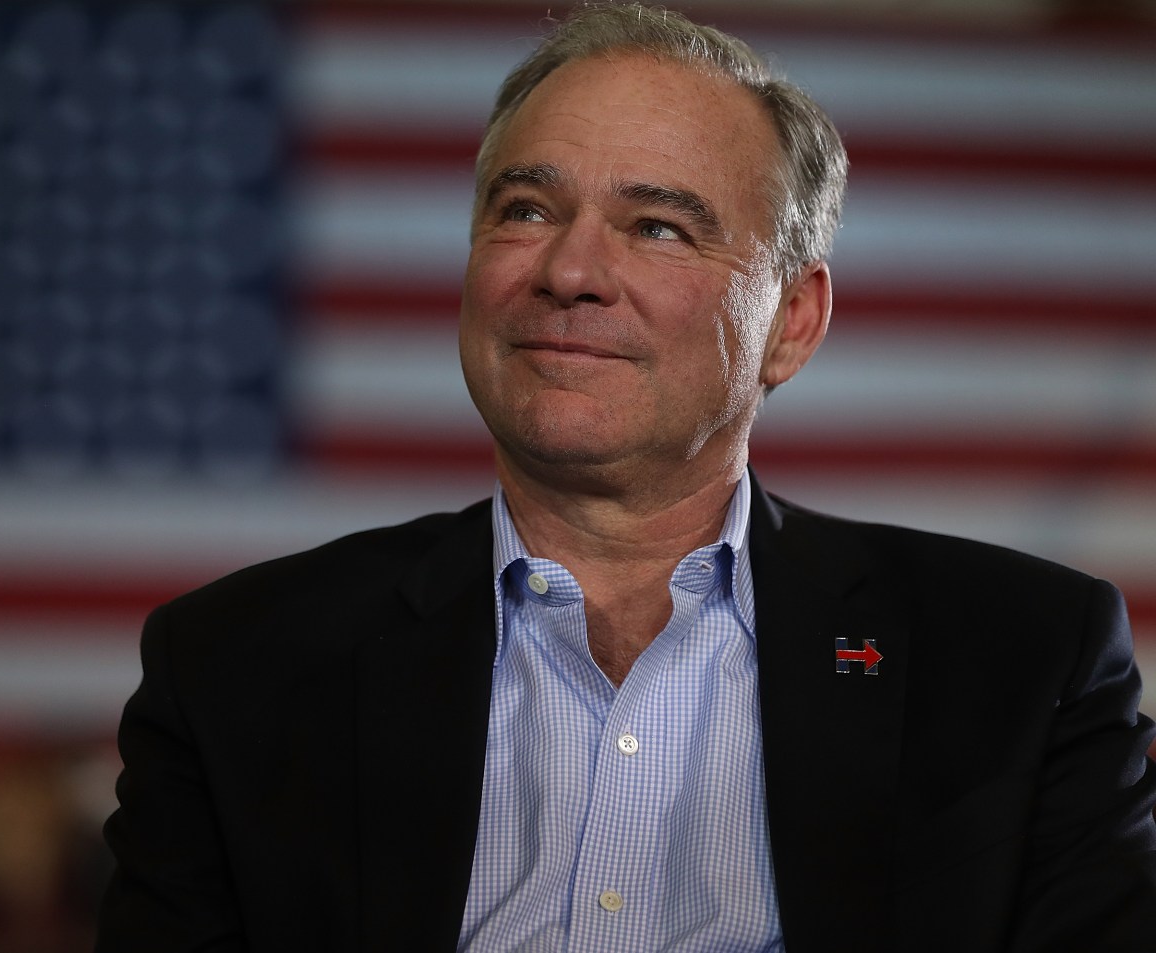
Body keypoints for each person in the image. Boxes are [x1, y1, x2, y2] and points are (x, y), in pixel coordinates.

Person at [96, 4, 1156, 951]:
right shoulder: (238, 663)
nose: (568, 271)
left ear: (793, 321)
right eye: (524, 209)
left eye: (659, 226)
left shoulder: (1024, 663)